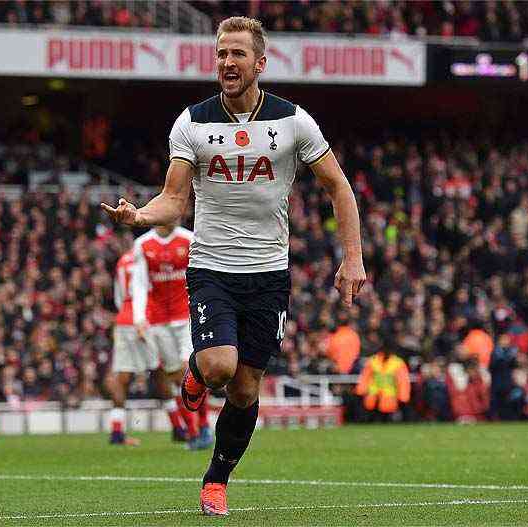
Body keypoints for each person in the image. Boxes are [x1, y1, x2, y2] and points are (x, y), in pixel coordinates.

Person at [101, 16, 365, 516]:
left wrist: (352, 258)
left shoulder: (293, 121)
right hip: (212, 268)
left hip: (269, 276)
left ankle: (216, 480)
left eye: (238, 53)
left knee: (245, 389)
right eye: (221, 53)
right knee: (221, 367)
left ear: (259, 63)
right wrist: (139, 214)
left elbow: (339, 188)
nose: (227, 62)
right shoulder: (193, 123)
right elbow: (174, 200)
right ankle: (198, 378)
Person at [131, 223, 213, 451]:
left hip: (187, 316)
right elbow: (138, 284)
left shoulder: (189, 239)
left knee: (191, 369)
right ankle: (193, 432)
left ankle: (204, 425)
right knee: (176, 378)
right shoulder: (143, 245)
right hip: (158, 322)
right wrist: (139, 318)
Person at [107, 248, 153, 446]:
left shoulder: (122, 261)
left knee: (122, 375)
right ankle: (180, 427)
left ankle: (117, 432)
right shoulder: (151, 256)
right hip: (146, 316)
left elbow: (118, 296)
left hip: (124, 318)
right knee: (161, 370)